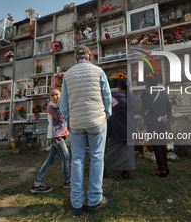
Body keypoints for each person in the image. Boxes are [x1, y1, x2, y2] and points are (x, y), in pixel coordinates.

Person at [59, 45, 112, 216]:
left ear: (76, 58)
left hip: (76, 123)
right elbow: (106, 95)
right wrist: (107, 114)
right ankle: (95, 199)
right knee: (97, 157)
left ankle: (76, 203)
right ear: (90, 57)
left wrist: (68, 118)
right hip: (97, 120)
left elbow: (63, 103)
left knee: (77, 160)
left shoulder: (67, 75)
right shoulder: (98, 71)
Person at [31, 88, 71, 194]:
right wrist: (63, 106)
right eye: (52, 95)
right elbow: (60, 118)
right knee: (66, 156)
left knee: (51, 159)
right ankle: (68, 181)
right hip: (55, 136)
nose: (55, 97)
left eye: (57, 95)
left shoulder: (58, 105)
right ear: (50, 97)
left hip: (59, 134)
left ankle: (37, 183)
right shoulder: (51, 107)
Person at [104, 78, 137, 179]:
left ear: (119, 87)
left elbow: (107, 109)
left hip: (115, 128)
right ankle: (125, 172)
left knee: (110, 151)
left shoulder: (114, 97)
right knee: (127, 153)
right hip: (129, 128)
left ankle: (104, 170)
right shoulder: (133, 98)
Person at [141, 76, 171, 177]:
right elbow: (168, 107)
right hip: (162, 122)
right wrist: (166, 115)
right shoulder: (163, 93)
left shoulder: (146, 92)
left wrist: (158, 117)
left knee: (156, 144)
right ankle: (165, 166)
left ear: (147, 84)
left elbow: (148, 106)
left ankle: (161, 168)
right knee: (163, 143)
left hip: (152, 121)